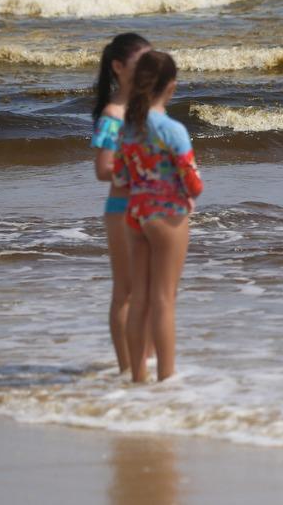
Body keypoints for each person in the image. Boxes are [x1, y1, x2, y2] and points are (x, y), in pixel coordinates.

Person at [115, 51, 203, 383]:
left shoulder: (127, 128)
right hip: (168, 215)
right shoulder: (172, 129)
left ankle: (138, 377)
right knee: (164, 299)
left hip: (135, 213)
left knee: (140, 298)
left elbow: (120, 177)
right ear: (171, 87)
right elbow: (193, 183)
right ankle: (166, 378)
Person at [91, 32, 153, 373]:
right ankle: (127, 371)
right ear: (118, 67)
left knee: (152, 290)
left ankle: (149, 365)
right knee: (126, 292)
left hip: (153, 208)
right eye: (142, 62)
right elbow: (103, 169)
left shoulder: (148, 108)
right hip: (123, 211)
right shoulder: (113, 114)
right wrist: (142, 170)